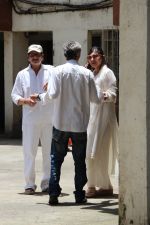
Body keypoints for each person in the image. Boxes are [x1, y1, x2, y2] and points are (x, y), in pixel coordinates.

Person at [31, 41, 103, 205]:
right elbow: (96, 99)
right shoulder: (87, 74)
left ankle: (53, 194)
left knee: (56, 159)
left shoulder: (57, 71)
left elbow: (52, 94)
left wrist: (40, 96)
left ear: (65, 55)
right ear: (78, 55)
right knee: (79, 160)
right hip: (79, 125)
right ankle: (79, 194)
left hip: (60, 123)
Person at [11, 44, 53, 195]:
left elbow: (59, 89)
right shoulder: (22, 74)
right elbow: (14, 95)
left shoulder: (51, 71)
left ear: (43, 56)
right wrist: (25, 101)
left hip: (49, 119)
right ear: (28, 57)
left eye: (38, 54)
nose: (35, 57)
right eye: (32, 55)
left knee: (49, 152)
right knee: (29, 152)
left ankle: (47, 183)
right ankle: (29, 184)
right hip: (30, 120)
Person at [85, 46, 118, 198]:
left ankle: (100, 186)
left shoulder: (107, 72)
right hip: (92, 119)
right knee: (89, 153)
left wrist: (102, 95)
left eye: (95, 56)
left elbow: (113, 94)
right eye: (90, 57)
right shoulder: (92, 74)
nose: (92, 59)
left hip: (104, 120)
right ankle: (96, 185)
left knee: (101, 153)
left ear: (102, 57)